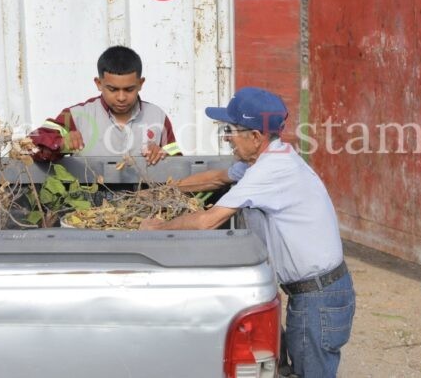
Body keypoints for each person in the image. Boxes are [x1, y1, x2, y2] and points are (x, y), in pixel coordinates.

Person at [140, 87, 355, 378]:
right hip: (315, 292)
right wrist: (163, 191)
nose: (227, 137)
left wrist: (158, 228)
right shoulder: (268, 158)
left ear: (255, 137)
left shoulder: (271, 171)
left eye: (231, 130)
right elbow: (216, 179)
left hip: (318, 298)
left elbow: (208, 221)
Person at [29, 45, 180, 165]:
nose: (121, 97)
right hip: (89, 202)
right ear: (99, 83)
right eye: (113, 89)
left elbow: (180, 166)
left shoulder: (157, 116)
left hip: (144, 201)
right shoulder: (77, 116)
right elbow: (31, 146)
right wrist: (61, 143)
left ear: (140, 84)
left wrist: (162, 157)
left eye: (129, 89)